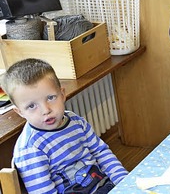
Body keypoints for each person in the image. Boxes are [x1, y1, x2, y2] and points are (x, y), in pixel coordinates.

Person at [1, 59, 128, 193]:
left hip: (104, 186)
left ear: (62, 95)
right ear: (20, 112)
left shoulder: (75, 121)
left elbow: (101, 152)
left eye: (50, 98)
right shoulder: (31, 148)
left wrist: (124, 181)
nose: (46, 110)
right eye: (32, 106)